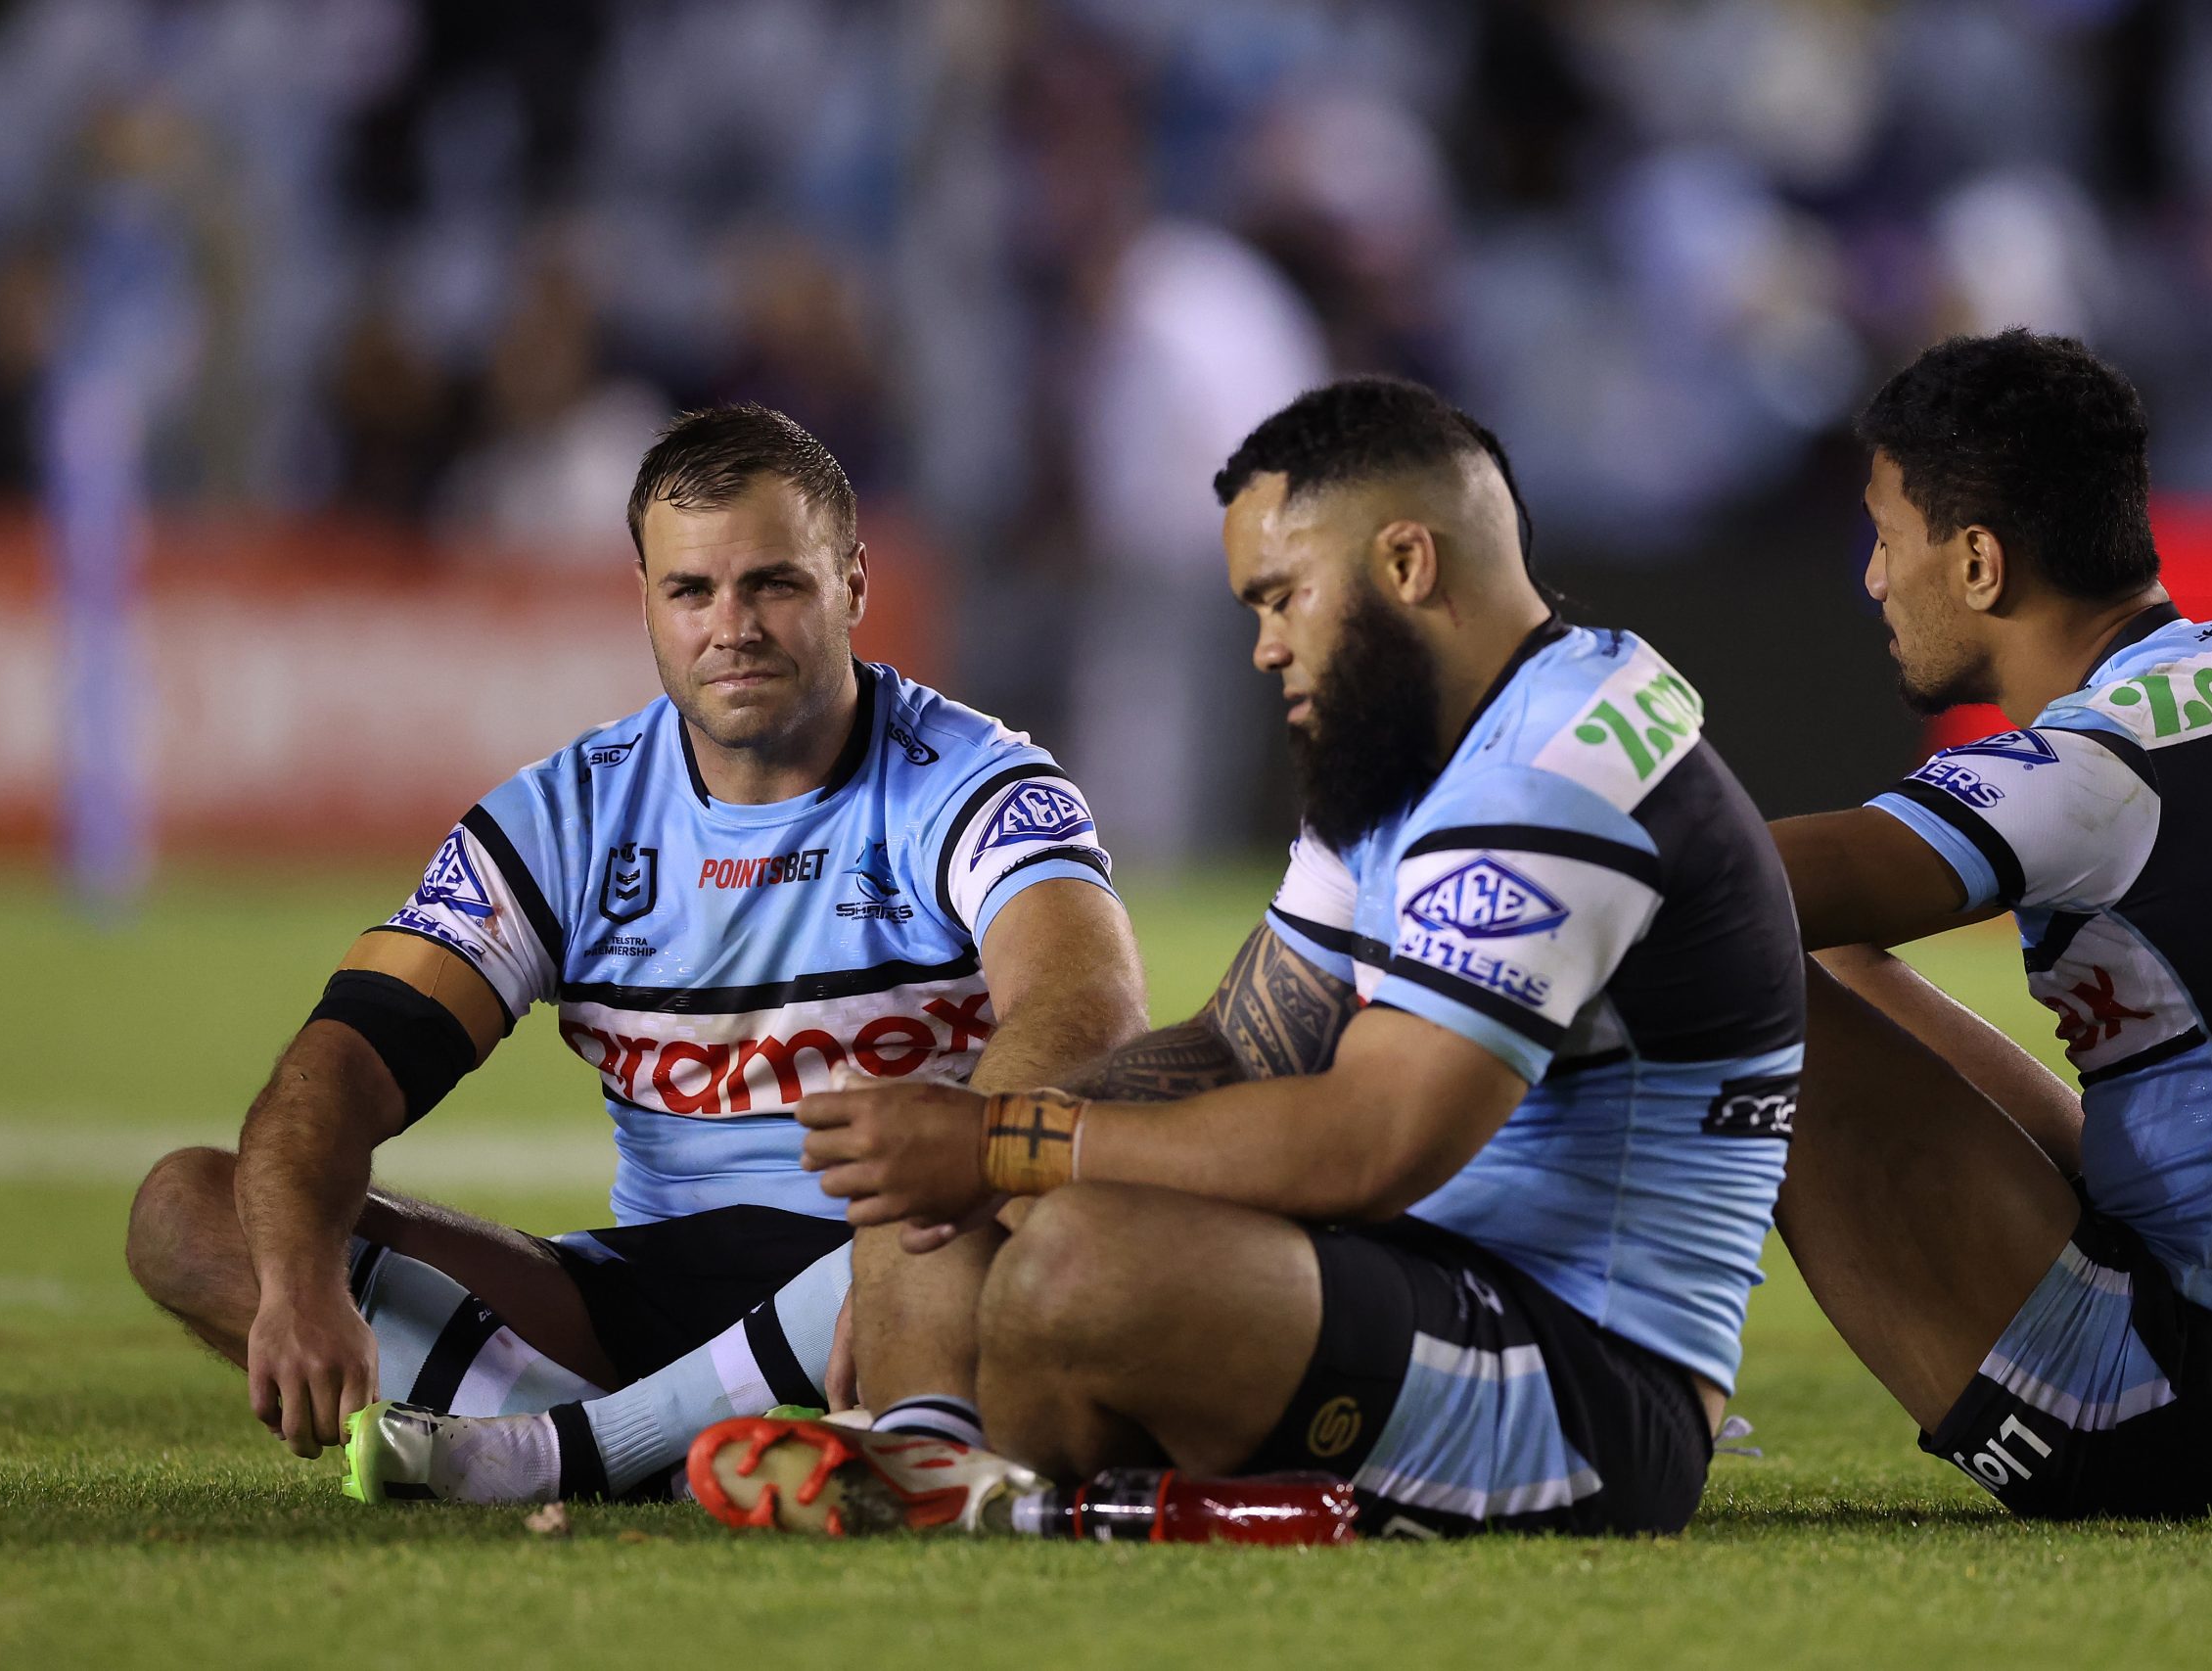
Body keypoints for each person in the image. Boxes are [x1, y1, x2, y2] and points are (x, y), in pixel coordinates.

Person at [744, 375, 1806, 1538]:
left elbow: (1371, 1143)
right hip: (1413, 1288)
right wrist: (973, 1151)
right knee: (956, 1152)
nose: (1262, 647)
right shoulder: (1422, 750)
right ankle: (939, 1459)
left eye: (1282, 598)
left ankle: (984, 1477)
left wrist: (1007, 1146)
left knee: (1083, 1257)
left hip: (1589, 1396)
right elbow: (1240, 1046)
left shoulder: (1550, 780)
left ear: (1407, 565)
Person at [123, 403, 1147, 1504]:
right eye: (692, 591)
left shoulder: (975, 783)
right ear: (646, 603)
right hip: (643, 1293)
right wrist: (298, 1279)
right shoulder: (564, 816)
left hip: (911, 1264)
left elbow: (1085, 1013)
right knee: (191, 1210)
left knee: (1038, 1207)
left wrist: (915, 1254)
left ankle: (568, 1454)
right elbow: (344, 1068)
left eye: (774, 584)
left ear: (851, 586)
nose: (732, 627)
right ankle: (679, 1457)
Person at [1768, 329, 2212, 1518]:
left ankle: (1605, 1384)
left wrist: (1484, 842)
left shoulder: (2096, 766)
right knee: (1805, 956)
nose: (1872, 579)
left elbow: (1730, 885)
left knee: (1704, 954)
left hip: (2188, 1415)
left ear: (1977, 562)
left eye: (1886, 537)